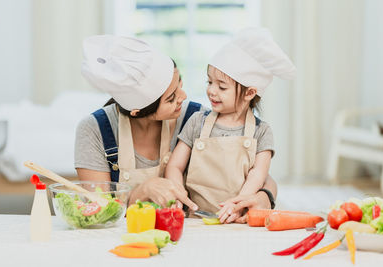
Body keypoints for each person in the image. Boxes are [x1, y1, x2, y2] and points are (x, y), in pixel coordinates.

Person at [75, 34, 278, 212]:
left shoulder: (198, 118)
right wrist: (142, 191)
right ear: (137, 112)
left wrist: (264, 198)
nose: (184, 96)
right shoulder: (95, 131)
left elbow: (260, 176)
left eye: (180, 83)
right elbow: (98, 207)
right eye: (171, 98)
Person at [165, 28, 295, 223]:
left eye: (222, 86)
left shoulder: (261, 132)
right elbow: (175, 165)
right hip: (194, 218)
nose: (211, 91)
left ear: (250, 93)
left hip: (236, 218)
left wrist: (238, 204)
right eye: (209, 82)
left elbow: (258, 175)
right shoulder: (197, 122)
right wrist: (178, 192)